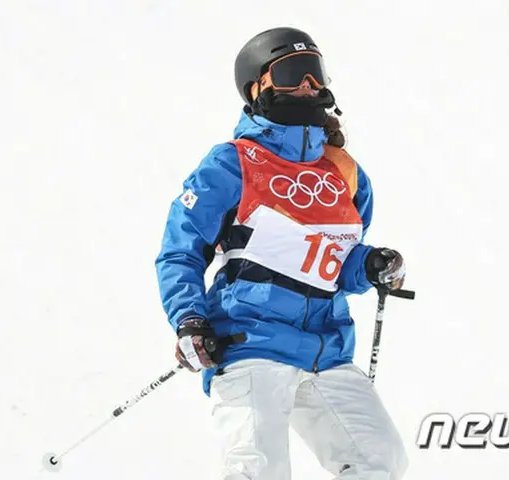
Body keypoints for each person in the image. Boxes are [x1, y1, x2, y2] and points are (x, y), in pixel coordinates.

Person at [155, 27, 409, 480]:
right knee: (257, 470)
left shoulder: (344, 173)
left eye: (315, 72)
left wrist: (369, 265)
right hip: (249, 342)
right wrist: (189, 321)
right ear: (257, 88)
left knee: (379, 461)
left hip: (325, 348)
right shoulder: (233, 163)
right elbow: (181, 250)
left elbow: (333, 258)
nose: (310, 85)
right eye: (293, 73)